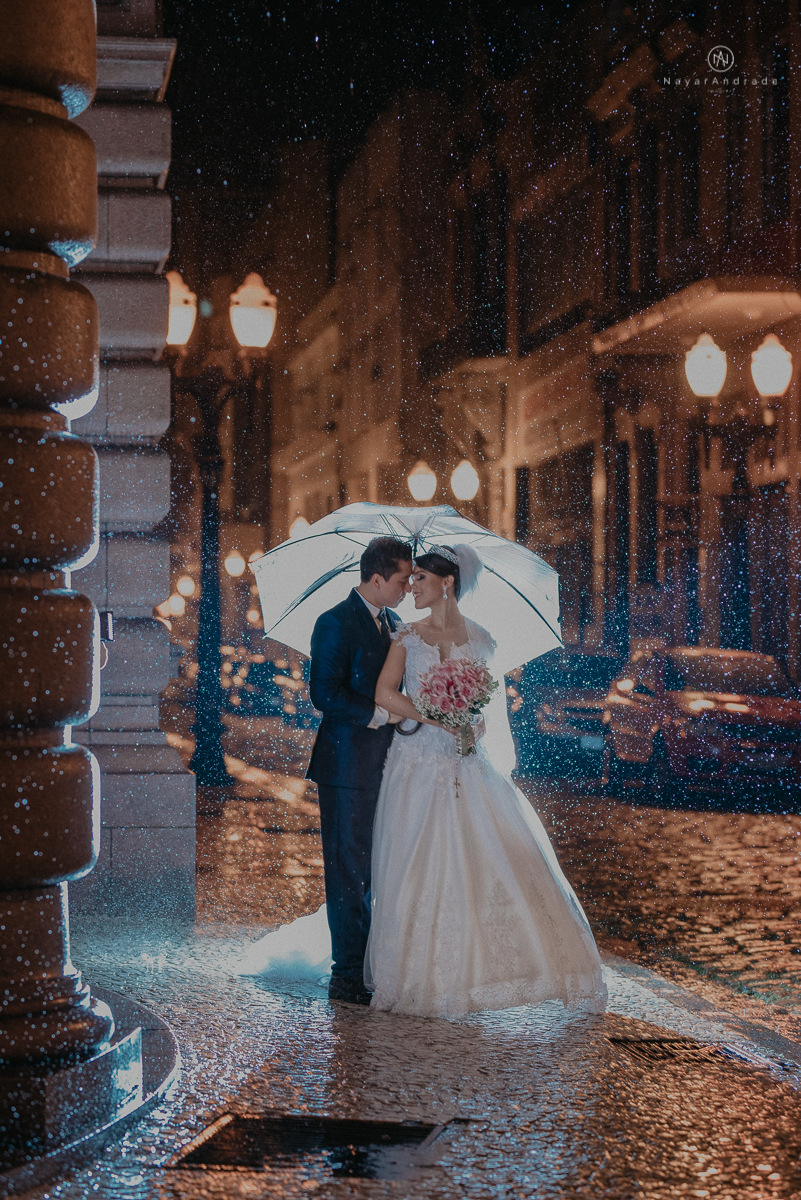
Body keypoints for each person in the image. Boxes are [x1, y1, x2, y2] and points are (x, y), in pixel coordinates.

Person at [365, 544, 607, 1018]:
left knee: (483, 859)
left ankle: (486, 969)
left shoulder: (482, 640)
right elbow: (384, 694)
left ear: (447, 582)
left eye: (420, 580)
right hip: (416, 763)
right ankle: (417, 973)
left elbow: (486, 712)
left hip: (467, 763)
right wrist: (433, 716)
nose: (411, 588)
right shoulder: (405, 638)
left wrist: (470, 722)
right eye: (409, 580)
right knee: (415, 860)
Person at [305, 535, 413, 1005]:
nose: (409, 587)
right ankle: (346, 972)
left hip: (392, 764)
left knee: (379, 867)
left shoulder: (397, 624)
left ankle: (374, 961)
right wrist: (379, 714)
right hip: (347, 766)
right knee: (348, 869)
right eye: (403, 579)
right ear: (376, 578)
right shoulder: (333, 622)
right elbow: (323, 694)